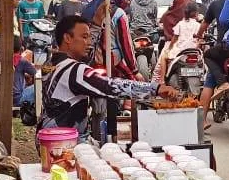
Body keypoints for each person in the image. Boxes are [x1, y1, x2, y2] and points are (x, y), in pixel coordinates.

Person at [39, 15, 178, 137]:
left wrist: (97, 24)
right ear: (67, 38)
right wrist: (155, 88)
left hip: (47, 135)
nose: (88, 43)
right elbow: (110, 85)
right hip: (64, 141)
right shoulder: (75, 70)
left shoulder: (50, 63)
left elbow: (88, 57)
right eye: (84, 37)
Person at [11, 37, 37, 113]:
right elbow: (35, 72)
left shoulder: (3, 59)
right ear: (21, 49)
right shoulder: (22, 61)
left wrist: (24, 75)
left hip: (4, 97)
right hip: (18, 98)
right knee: (40, 86)